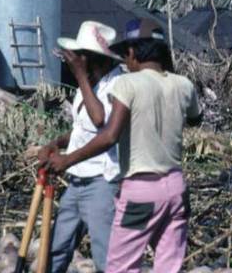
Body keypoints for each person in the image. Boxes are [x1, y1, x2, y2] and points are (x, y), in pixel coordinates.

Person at [45, 18, 202, 273]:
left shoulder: (126, 84)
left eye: (126, 54)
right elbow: (196, 119)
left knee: (120, 266)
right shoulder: (183, 85)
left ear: (132, 52)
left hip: (141, 188)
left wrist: (67, 159)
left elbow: (109, 135)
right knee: (168, 266)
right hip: (176, 188)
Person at [38, 21, 125, 273]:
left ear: (94, 58)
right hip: (77, 179)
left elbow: (100, 122)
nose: (76, 62)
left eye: (81, 57)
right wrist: (55, 144)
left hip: (101, 181)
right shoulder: (90, 83)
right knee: (56, 247)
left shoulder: (117, 84)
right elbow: (82, 128)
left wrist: (79, 77)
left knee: (104, 256)